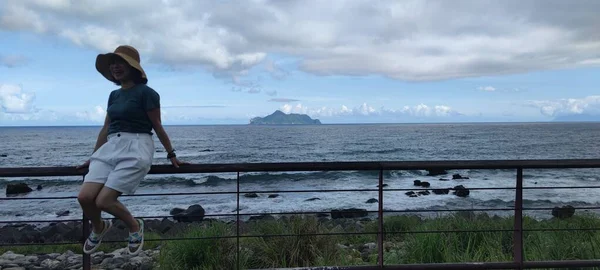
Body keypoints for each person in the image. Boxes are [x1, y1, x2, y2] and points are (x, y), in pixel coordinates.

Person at [76, 45, 187, 255]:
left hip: (136, 146)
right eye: (112, 64)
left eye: (120, 62)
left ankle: (135, 226)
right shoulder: (113, 95)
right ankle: (99, 227)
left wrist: (171, 153)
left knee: (104, 200)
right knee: (84, 197)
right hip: (110, 147)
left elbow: (157, 125)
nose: (115, 67)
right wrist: (93, 156)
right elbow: (106, 127)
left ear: (133, 67)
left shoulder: (147, 93)